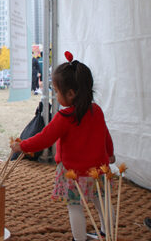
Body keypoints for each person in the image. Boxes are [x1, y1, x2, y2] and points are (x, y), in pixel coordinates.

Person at [10, 54, 115, 241]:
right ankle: (108, 234)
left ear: (71, 93)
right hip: (99, 171)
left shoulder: (64, 117)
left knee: (75, 207)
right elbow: (105, 135)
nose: (56, 96)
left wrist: (22, 146)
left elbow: (44, 138)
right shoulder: (96, 110)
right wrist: (111, 153)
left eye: (57, 92)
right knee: (102, 202)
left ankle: (79, 238)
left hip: (73, 174)